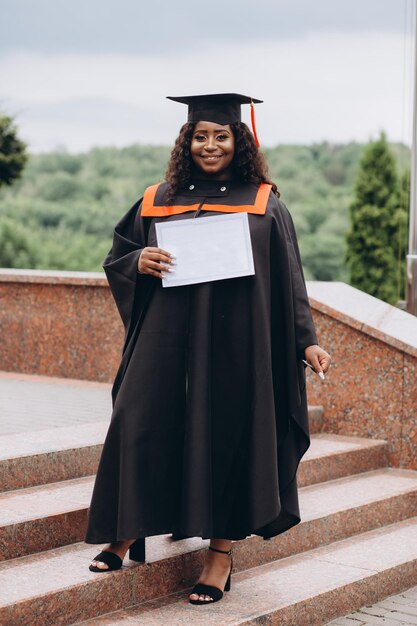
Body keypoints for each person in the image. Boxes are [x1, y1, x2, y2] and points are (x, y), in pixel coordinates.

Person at [84, 93, 331, 605]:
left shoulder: (264, 202)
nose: (210, 145)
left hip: (237, 343)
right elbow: (119, 257)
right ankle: (127, 530)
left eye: (221, 136)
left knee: (227, 431)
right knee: (138, 417)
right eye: (200, 136)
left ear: (239, 141)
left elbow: (289, 281)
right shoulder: (158, 197)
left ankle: (220, 555)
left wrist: (306, 342)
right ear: (186, 141)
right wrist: (139, 263)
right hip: (165, 336)